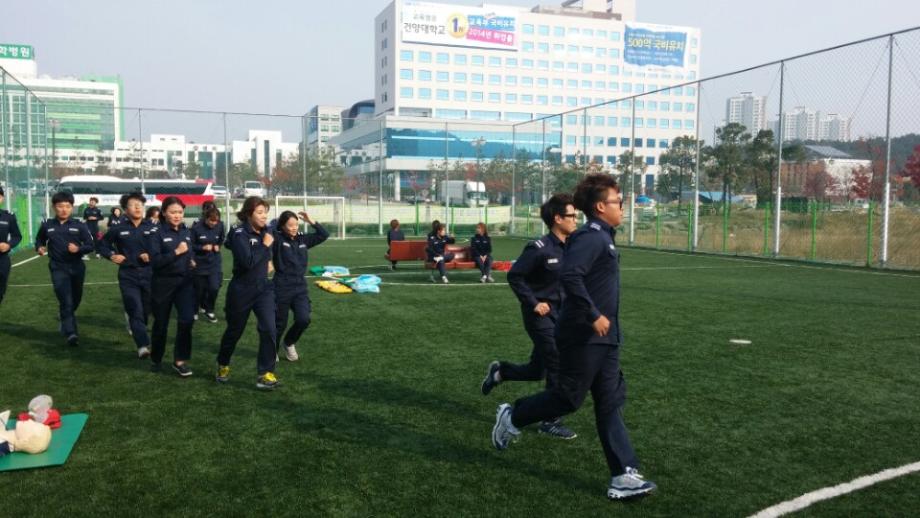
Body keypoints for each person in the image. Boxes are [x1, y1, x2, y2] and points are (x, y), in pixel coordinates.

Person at [491, 174, 657, 501]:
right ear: (601, 207)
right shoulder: (591, 237)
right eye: (618, 202)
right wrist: (593, 314)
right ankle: (513, 416)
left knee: (610, 403)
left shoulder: (604, 238)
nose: (622, 207)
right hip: (583, 334)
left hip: (607, 337)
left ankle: (623, 475)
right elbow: (570, 275)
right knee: (568, 399)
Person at [481, 194, 578, 440]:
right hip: (539, 317)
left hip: (561, 316)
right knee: (558, 362)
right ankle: (550, 420)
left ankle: (500, 373)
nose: (576, 220)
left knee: (538, 371)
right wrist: (534, 303)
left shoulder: (572, 247)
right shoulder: (539, 248)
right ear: (558, 219)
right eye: (572, 215)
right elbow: (515, 276)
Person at [216, 196, 280, 390]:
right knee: (234, 331)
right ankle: (223, 363)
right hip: (242, 289)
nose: (264, 216)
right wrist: (265, 245)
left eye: (265, 212)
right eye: (259, 213)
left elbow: (267, 252)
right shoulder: (239, 233)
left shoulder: (267, 231)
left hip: (264, 288)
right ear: (249, 214)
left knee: (269, 329)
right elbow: (247, 262)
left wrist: (270, 259)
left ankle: (265, 373)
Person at [99, 192, 158, 358]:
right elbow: (102, 245)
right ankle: (142, 345)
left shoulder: (154, 227)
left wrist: (151, 255)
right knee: (135, 308)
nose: (138, 207)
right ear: (125, 209)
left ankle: (136, 326)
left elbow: (162, 247)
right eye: (133, 204)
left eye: (140, 204)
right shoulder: (118, 228)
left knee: (146, 310)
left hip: (150, 274)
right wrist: (112, 255)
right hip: (128, 274)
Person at [34, 191, 94, 346]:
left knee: (75, 299)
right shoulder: (47, 225)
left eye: (67, 206)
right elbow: (39, 239)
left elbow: (90, 245)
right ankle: (71, 333)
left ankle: (64, 317)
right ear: (54, 207)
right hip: (58, 267)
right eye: (60, 206)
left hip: (77, 266)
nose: (64, 209)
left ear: (72, 208)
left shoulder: (79, 225)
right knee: (65, 299)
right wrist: (39, 247)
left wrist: (78, 249)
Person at [272, 210, 329, 362]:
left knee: (304, 319)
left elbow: (324, 235)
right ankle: (272, 349)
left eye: (296, 224)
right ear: (282, 226)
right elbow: (266, 233)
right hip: (281, 286)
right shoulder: (277, 238)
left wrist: (311, 221)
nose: (294, 228)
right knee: (279, 324)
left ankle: (289, 342)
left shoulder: (302, 239)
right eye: (290, 225)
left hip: (300, 287)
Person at [148, 197, 196, 376]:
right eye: (173, 212)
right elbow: (155, 261)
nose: (177, 215)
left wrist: (191, 260)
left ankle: (180, 360)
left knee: (187, 320)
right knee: (161, 323)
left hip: (185, 283)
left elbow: (189, 252)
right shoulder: (156, 233)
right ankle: (156, 358)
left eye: (180, 212)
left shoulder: (186, 231)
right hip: (163, 283)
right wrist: (176, 252)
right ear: (164, 213)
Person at [191, 204, 224, 323]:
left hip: (214, 262)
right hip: (200, 264)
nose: (214, 223)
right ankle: (194, 310)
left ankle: (209, 310)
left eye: (216, 221)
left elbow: (221, 238)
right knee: (199, 290)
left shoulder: (220, 225)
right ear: (206, 218)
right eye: (211, 221)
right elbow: (191, 245)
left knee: (214, 287)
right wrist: (202, 247)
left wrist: (218, 246)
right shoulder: (196, 228)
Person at [0, 187, 23, 308]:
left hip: (2, 259)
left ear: (2, 198)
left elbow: (17, 236)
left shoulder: (8, 216)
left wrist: (8, 245)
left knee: (1, 290)